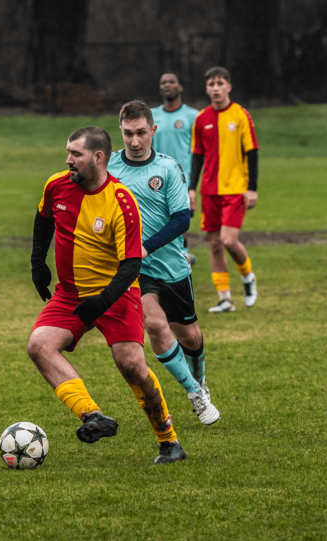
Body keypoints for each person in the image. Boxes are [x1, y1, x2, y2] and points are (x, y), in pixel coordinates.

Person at [27, 126, 187, 464]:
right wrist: (37, 263)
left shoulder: (121, 201)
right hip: (70, 295)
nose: (68, 160)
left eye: (76, 154)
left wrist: (102, 301)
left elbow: (132, 264)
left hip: (117, 295)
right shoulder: (56, 185)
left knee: (132, 366)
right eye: (68, 152)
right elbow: (43, 219)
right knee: (39, 345)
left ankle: (169, 441)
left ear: (98, 158)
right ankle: (93, 416)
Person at [107, 100, 219, 426]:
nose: (135, 141)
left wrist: (147, 246)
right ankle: (194, 393)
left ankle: (200, 379)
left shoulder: (168, 168)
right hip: (134, 268)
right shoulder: (109, 168)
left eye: (141, 133)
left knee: (191, 337)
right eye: (128, 133)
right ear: (121, 131)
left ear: (153, 130)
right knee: (155, 324)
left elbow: (182, 219)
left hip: (171, 265)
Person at [188, 66, 260, 313]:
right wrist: (191, 189)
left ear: (228, 86)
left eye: (220, 83)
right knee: (215, 244)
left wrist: (252, 189)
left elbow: (252, 153)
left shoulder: (240, 114)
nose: (216, 88)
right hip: (209, 191)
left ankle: (248, 276)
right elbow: (197, 156)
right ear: (207, 89)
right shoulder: (201, 119)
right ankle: (225, 298)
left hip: (235, 189)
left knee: (229, 240)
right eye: (211, 84)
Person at [151, 73, 200, 266]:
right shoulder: (152, 116)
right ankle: (165, 256)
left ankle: (183, 255)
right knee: (158, 218)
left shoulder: (193, 116)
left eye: (172, 82)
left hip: (183, 177)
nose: (167, 85)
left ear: (180, 87)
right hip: (158, 177)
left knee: (180, 218)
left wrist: (193, 181)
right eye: (163, 82)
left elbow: (198, 151)